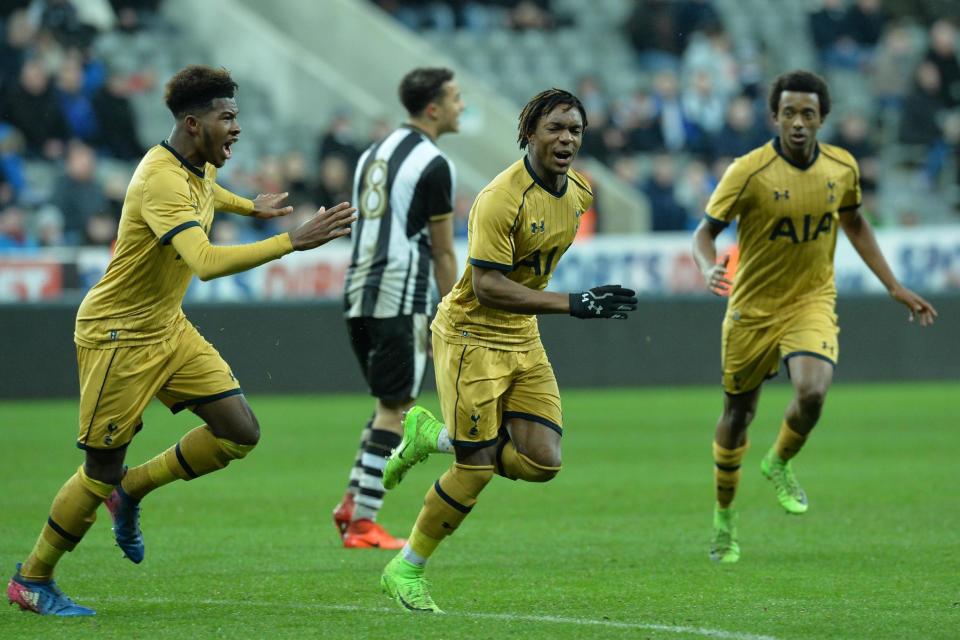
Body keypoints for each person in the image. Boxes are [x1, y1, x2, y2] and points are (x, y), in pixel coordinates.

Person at [6, 65, 357, 616]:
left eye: (237, 116)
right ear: (194, 124)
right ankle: (32, 578)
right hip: (117, 334)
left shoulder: (195, 164)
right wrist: (291, 239)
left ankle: (133, 490)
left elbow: (211, 194)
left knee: (239, 432)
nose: (237, 128)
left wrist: (251, 207)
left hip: (166, 326)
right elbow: (207, 262)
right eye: (228, 118)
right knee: (99, 469)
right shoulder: (161, 180)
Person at [377, 88, 638, 612]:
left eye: (575, 130)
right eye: (555, 129)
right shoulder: (499, 198)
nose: (566, 139)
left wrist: (571, 302)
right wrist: (573, 303)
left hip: (523, 337)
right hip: (472, 335)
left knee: (543, 462)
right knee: (475, 470)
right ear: (529, 133)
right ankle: (406, 567)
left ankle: (435, 435)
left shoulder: (580, 193)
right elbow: (488, 286)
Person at [691, 70, 937, 565]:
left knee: (813, 390)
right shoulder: (748, 171)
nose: (798, 123)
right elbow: (705, 233)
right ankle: (724, 518)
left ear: (822, 117)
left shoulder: (841, 168)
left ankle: (778, 461)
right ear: (774, 117)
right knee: (738, 416)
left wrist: (893, 285)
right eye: (788, 113)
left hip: (811, 300)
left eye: (807, 113)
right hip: (752, 308)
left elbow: (855, 222)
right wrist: (705, 266)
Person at [332, 67, 464, 550]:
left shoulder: (371, 154)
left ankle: (352, 502)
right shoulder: (434, 162)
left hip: (357, 290)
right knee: (398, 410)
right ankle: (363, 522)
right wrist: (455, 310)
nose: (461, 106)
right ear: (433, 108)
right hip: (400, 293)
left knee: (388, 403)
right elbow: (444, 249)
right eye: (455, 98)